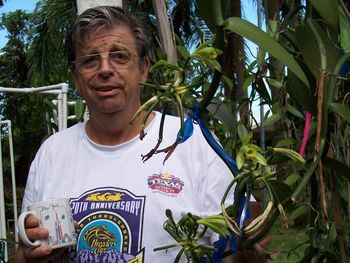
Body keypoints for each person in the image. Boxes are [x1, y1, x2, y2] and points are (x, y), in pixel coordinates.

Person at [15, 6, 269, 263]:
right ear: (76, 77)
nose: (105, 69)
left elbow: (239, 248)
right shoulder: (52, 152)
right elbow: (22, 255)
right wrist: (29, 254)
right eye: (90, 60)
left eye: (119, 56)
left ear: (144, 68)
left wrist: (248, 241)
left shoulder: (192, 140)